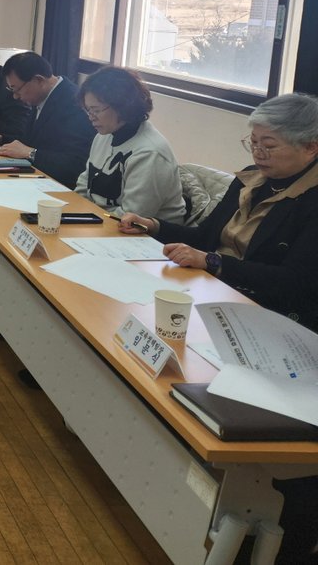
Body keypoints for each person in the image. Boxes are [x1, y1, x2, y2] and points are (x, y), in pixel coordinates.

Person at [120, 92, 318, 562]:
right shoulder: (251, 180)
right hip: (219, 304)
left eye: (269, 145)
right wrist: (155, 227)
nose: (257, 153)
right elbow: (208, 238)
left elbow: (297, 284)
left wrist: (214, 263)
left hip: (280, 327)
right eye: (253, 142)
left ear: (311, 147)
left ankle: (272, 534)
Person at [75, 67, 185, 221]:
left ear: (122, 106)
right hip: (100, 221)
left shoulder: (149, 153)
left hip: (139, 231)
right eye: (88, 110)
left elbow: (132, 217)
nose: (91, 117)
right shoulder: (104, 136)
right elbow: (83, 187)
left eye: (96, 110)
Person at [0, 52, 95, 187]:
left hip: (58, 186)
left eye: (17, 90)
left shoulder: (73, 103)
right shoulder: (41, 97)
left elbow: (76, 163)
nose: (15, 96)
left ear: (39, 80)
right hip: (36, 178)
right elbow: (31, 140)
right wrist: (0, 138)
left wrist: (31, 153)